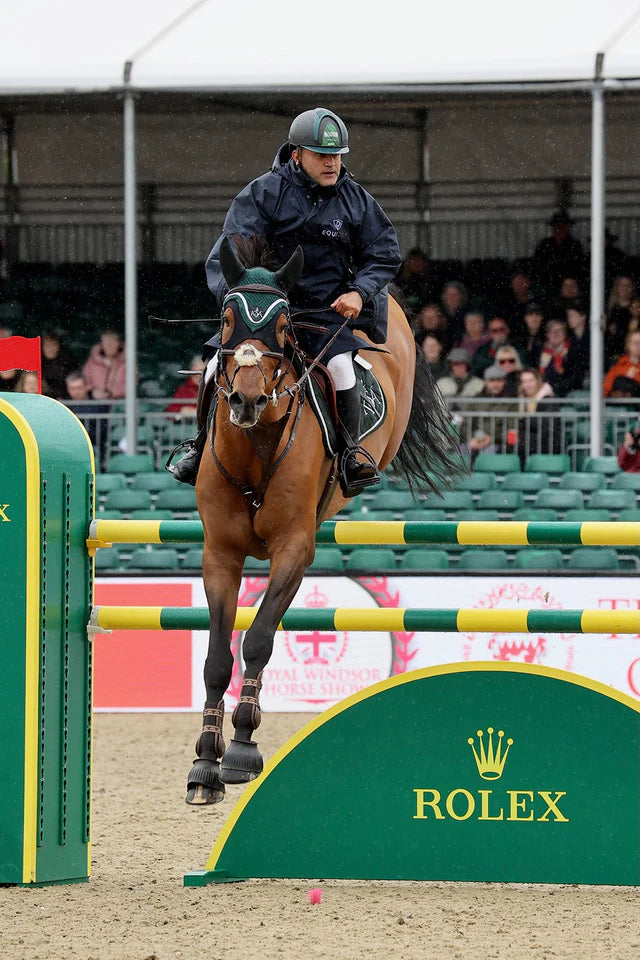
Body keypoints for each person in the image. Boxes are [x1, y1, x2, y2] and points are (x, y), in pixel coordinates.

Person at [175, 107, 403, 496]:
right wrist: (248, 301)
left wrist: (359, 292)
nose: (332, 163)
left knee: (342, 369)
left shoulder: (356, 201)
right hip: (266, 311)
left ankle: (351, 455)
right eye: (322, 155)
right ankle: (198, 449)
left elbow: (384, 253)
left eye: (337, 155)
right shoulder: (263, 193)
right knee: (215, 365)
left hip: (325, 313)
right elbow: (234, 253)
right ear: (297, 154)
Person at [464, 364, 519, 461]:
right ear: (485, 382)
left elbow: (511, 428)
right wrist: (474, 437)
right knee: (462, 453)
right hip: (475, 440)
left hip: (498, 444)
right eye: (492, 380)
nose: (496, 384)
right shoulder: (475, 400)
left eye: (499, 380)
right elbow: (465, 424)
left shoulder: (511, 402)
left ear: (504, 381)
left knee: (487, 454)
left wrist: (491, 439)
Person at [532, 210, 585, 295]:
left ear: (567, 227)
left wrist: (568, 280)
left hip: (568, 286)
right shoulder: (544, 244)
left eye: (563, 226)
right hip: (547, 285)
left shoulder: (574, 245)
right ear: (553, 227)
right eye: (557, 226)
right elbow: (537, 266)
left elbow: (578, 267)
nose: (559, 229)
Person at [517, 368, 562, 465]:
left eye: (531, 380)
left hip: (548, 444)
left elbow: (548, 427)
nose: (527, 385)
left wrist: (527, 419)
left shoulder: (548, 400)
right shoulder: (523, 400)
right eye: (524, 381)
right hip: (530, 443)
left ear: (538, 381)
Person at [82, 329, 127, 400]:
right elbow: (85, 379)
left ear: (118, 344)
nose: (109, 345)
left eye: (112, 342)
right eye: (106, 343)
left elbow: (130, 385)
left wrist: (111, 393)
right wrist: (92, 391)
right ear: (101, 345)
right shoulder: (92, 361)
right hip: (95, 401)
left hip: (120, 402)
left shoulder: (127, 362)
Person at [605, 274, 636, 365]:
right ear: (616, 288)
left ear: (632, 288)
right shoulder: (609, 309)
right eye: (622, 285)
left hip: (632, 355)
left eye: (627, 285)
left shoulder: (636, 308)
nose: (624, 288)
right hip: (612, 355)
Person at [396, 248, 436, 312]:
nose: (416, 264)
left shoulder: (429, 280)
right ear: (408, 262)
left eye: (419, 261)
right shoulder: (399, 278)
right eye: (414, 260)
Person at [603, 330, 640, 397]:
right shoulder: (618, 367)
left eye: (639, 343)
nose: (637, 346)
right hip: (621, 405)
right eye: (635, 342)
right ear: (628, 344)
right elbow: (605, 391)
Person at [41, 331, 77, 400]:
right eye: (48, 345)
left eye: (54, 345)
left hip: (65, 399)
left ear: (58, 346)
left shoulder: (67, 361)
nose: (51, 349)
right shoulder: (37, 362)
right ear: (42, 347)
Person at [539, 318, 570, 392]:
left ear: (565, 334)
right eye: (552, 331)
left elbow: (573, 378)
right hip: (543, 390)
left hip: (564, 392)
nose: (556, 333)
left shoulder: (572, 352)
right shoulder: (539, 351)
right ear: (547, 335)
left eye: (560, 330)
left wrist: (554, 387)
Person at [514, 303, 545, 369]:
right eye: (530, 314)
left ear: (542, 317)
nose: (534, 318)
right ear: (525, 318)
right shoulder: (518, 337)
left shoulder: (547, 337)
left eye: (538, 314)